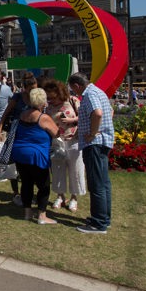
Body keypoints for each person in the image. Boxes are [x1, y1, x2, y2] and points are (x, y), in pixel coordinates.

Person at [68, 72, 114, 234]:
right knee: (103, 182)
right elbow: (110, 111)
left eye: (73, 89)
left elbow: (98, 113)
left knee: (96, 184)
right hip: (102, 142)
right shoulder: (98, 91)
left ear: (77, 85)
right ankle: (104, 218)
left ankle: (98, 223)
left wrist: (93, 133)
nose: (74, 92)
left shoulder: (89, 95)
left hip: (94, 144)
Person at [10, 87, 59, 224]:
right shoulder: (44, 118)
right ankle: (42, 216)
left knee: (26, 183)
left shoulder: (22, 114)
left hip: (20, 153)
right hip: (36, 155)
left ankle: (27, 213)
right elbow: (56, 133)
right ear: (43, 102)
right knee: (43, 185)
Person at [43, 79, 86, 212]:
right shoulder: (48, 106)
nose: (50, 100)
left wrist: (71, 120)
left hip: (74, 140)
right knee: (57, 169)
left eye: (53, 97)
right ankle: (60, 195)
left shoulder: (72, 100)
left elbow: (84, 116)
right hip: (57, 142)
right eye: (48, 97)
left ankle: (74, 197)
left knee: (76, 170)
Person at [0, 72, 37, 207]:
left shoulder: (36, 97)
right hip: (16, 132)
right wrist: (0, 128)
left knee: (29, 166)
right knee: (13, 165)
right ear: (26, 87)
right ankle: (16, 193)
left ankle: (28, 193)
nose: (34, 91)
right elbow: (6, 112)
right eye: (32, 88)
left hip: (30, 133)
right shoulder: (18, 96)